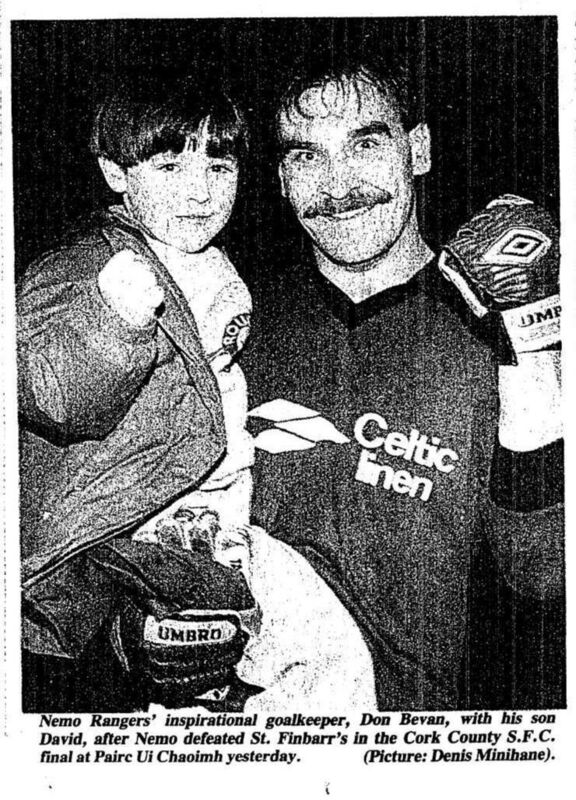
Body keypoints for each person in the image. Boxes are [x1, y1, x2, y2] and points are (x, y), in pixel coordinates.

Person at [18, 70, 377, 712]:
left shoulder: (210, 259)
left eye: (219, 165)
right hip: (137, 520)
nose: (201, 190)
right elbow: (46, 387)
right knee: (194, 669)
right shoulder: (87, 267)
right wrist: (114, 322)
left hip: (219, 510)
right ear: (115, 173)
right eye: (169, 164)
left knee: (331, 655)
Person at [243, 53, 564, 711]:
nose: (337, 186)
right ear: (279, 178)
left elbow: (544, 575)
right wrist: (139, 632)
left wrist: (534, 349)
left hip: (398, 739)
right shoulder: (234, 321)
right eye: (306, 157)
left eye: (364, 144)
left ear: (416, 149)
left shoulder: (499, 333)